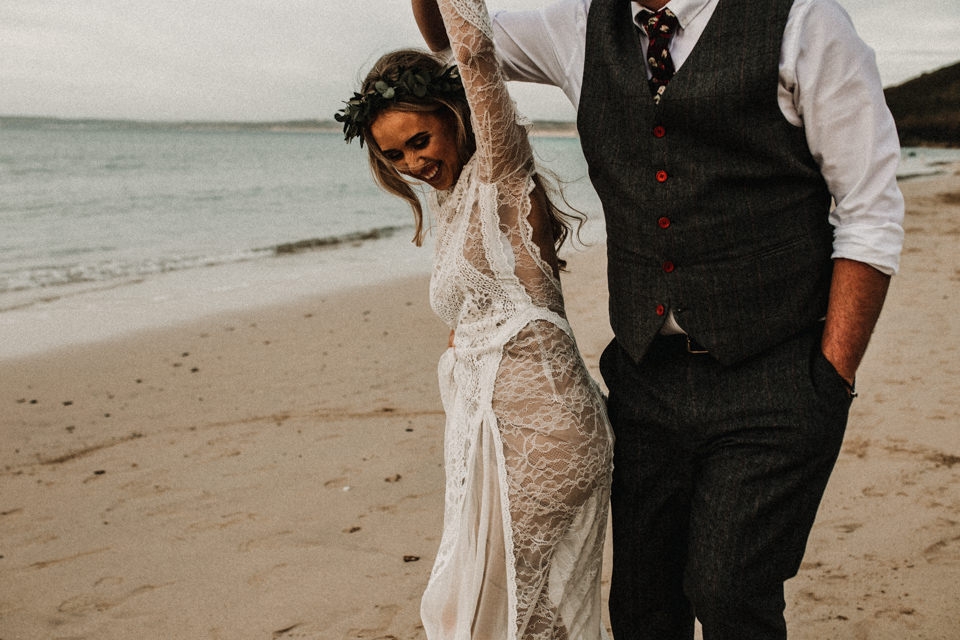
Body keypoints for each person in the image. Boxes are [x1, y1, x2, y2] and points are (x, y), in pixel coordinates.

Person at [413, 0, 905, 638]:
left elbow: (868, 210)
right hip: (648, 377)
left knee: (729, 593)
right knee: (644, 606)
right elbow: (454, 39)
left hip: (776, 372)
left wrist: (832, 376)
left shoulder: (804, 20)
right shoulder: (578, 28)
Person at [336, 0, 615, 637]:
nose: (412, 163)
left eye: (420, 140)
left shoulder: (499, 176)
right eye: (394, 155)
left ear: (459, 117)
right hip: (498, 426)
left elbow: (472, 51)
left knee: (496, 613)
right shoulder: (455, 198)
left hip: (543, 430)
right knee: (519, 611)